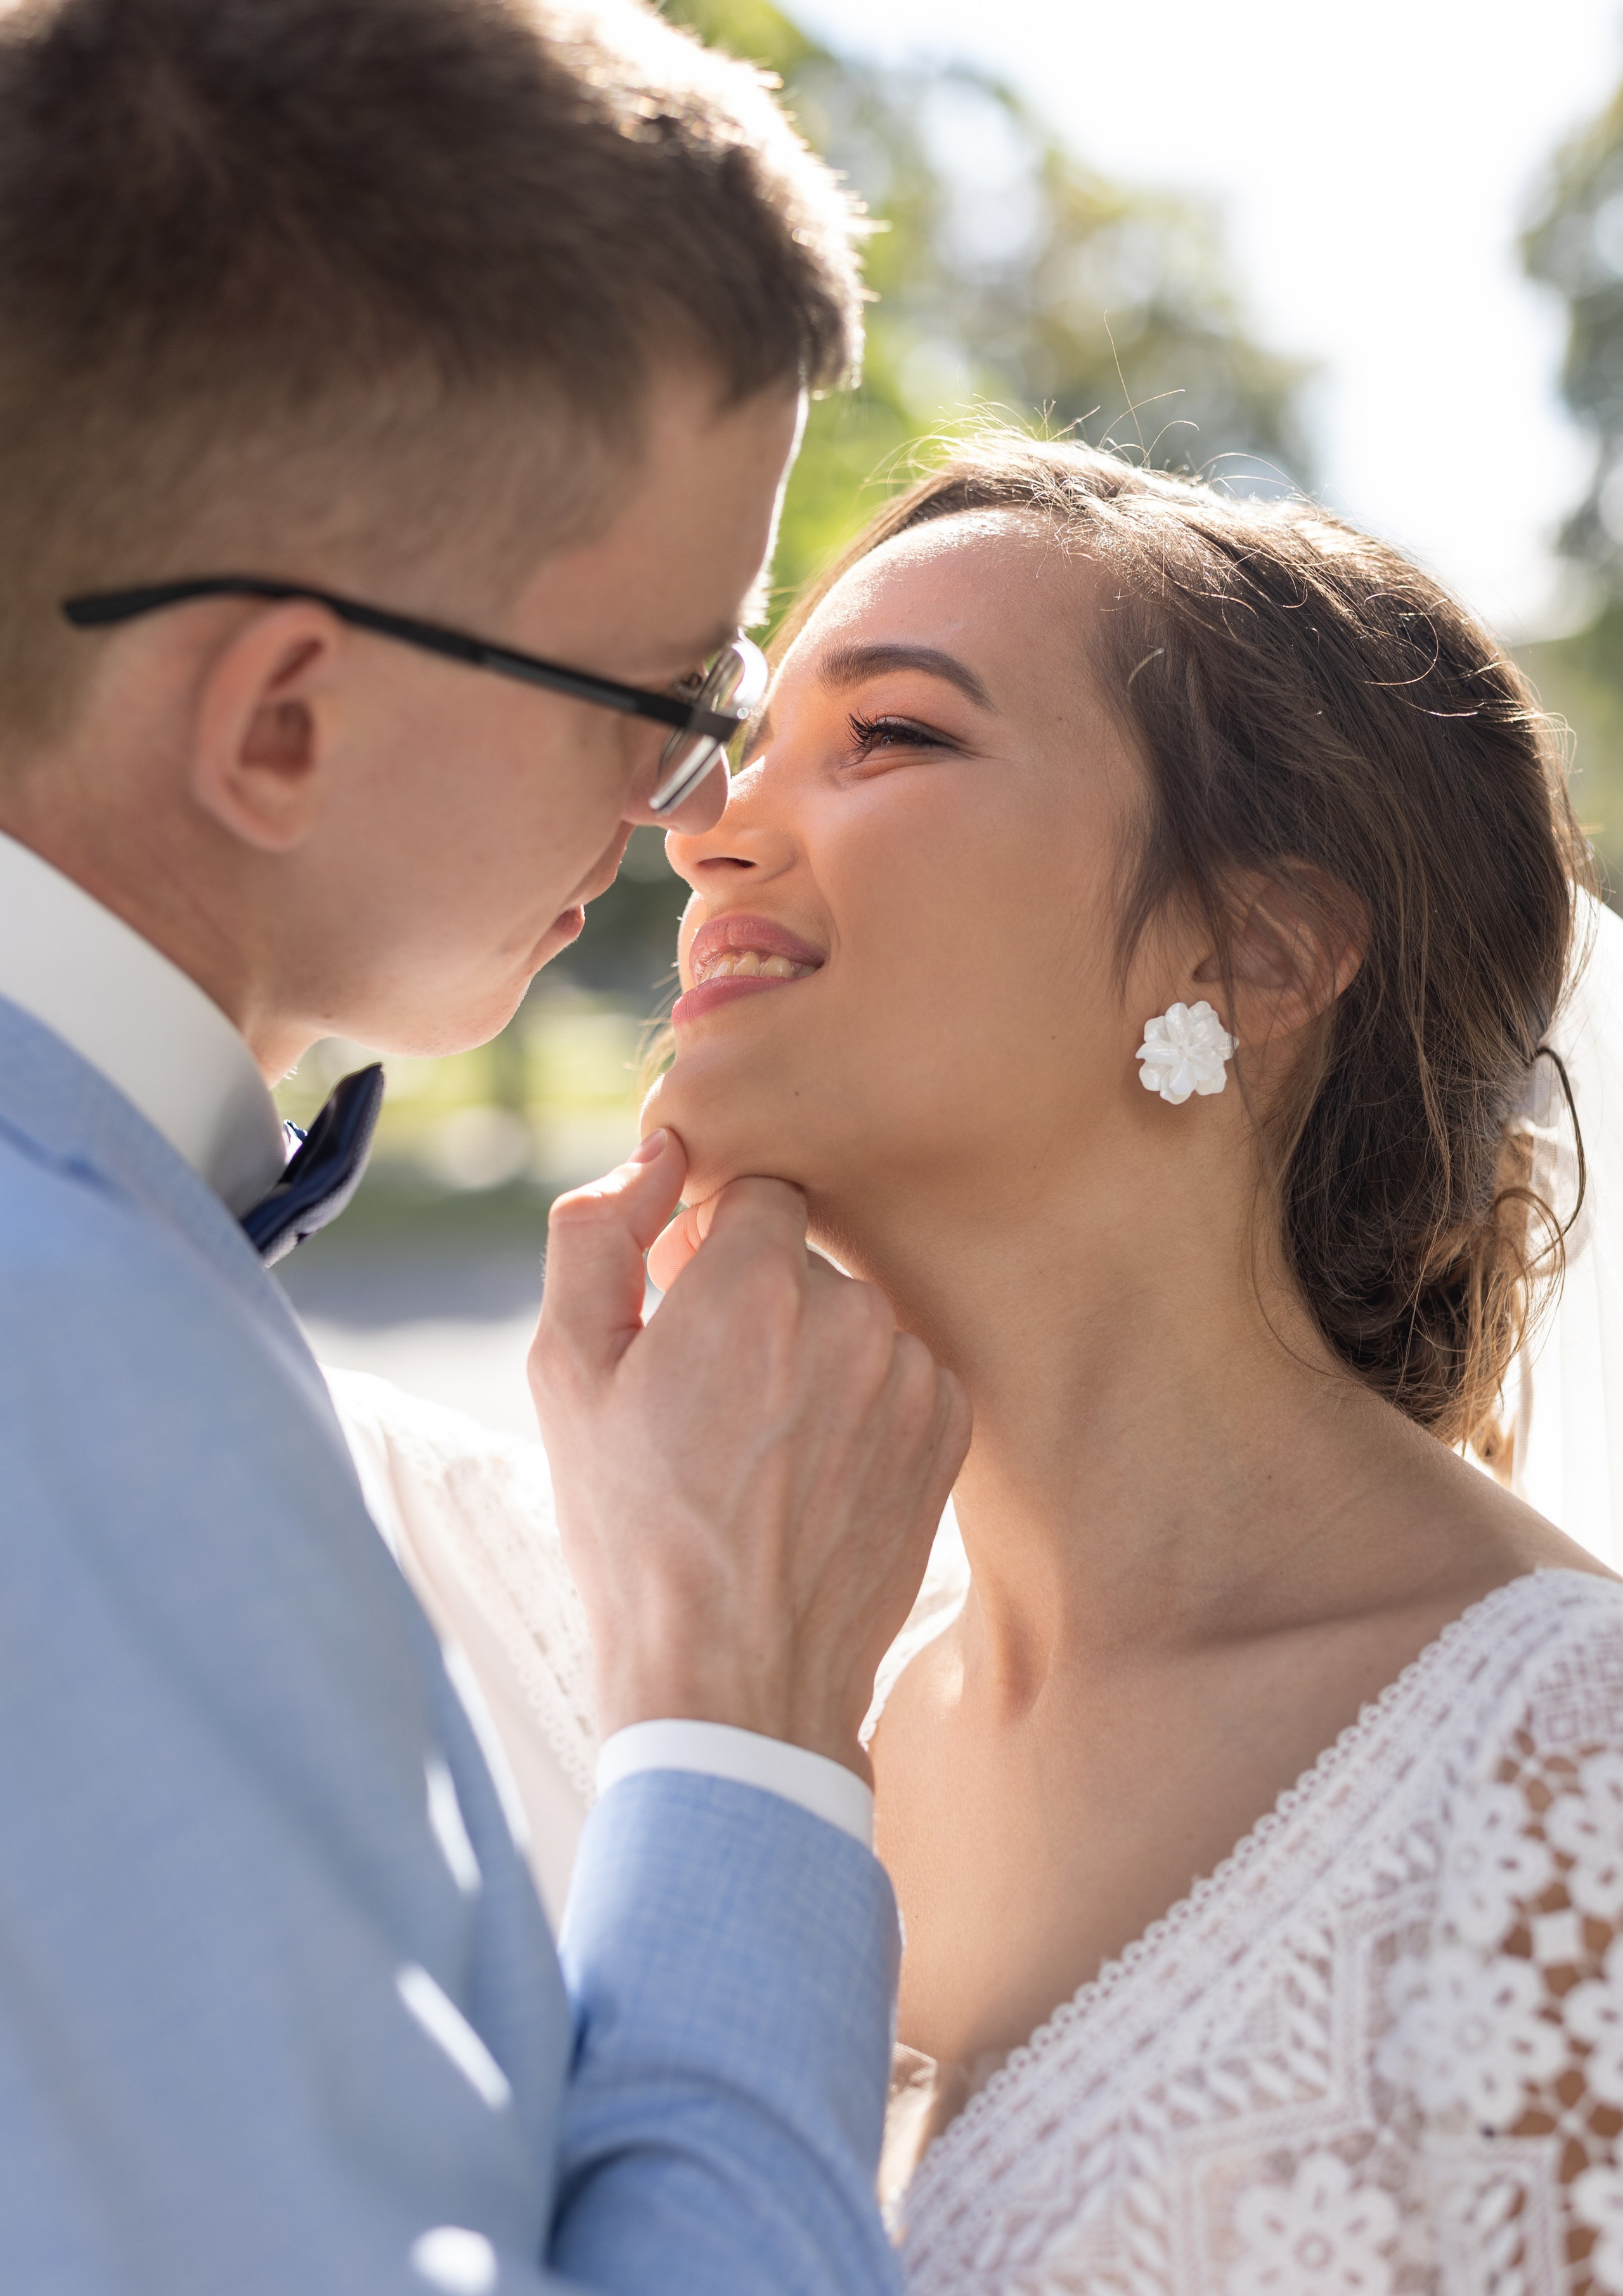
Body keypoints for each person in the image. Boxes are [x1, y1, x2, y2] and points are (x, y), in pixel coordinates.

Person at [0, 3, 969, 2291]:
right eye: (676, 693)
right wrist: (738, 1730)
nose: (700, 811)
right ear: (284, 718)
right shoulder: (80, 1384)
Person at [636, 437, 1623, 2290]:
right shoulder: (735, 1685)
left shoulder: (1575, 1787)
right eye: (749, 745)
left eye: (895, 737)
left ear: (1251, 955)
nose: (706, 830)